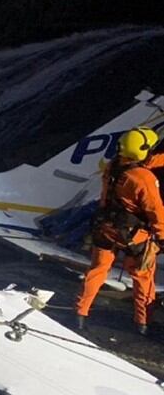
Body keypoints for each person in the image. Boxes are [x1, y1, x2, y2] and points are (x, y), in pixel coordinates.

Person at [75, 127, 164, 335]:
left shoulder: (113, 166)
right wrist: (162, 237)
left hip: (106, 228)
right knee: (142, 277)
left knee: (97, 271)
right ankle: (142, 323)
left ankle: (80, 313)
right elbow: (156, 211)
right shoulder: (144, 179)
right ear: (142, 151)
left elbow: (142, 163)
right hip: (135, 236)